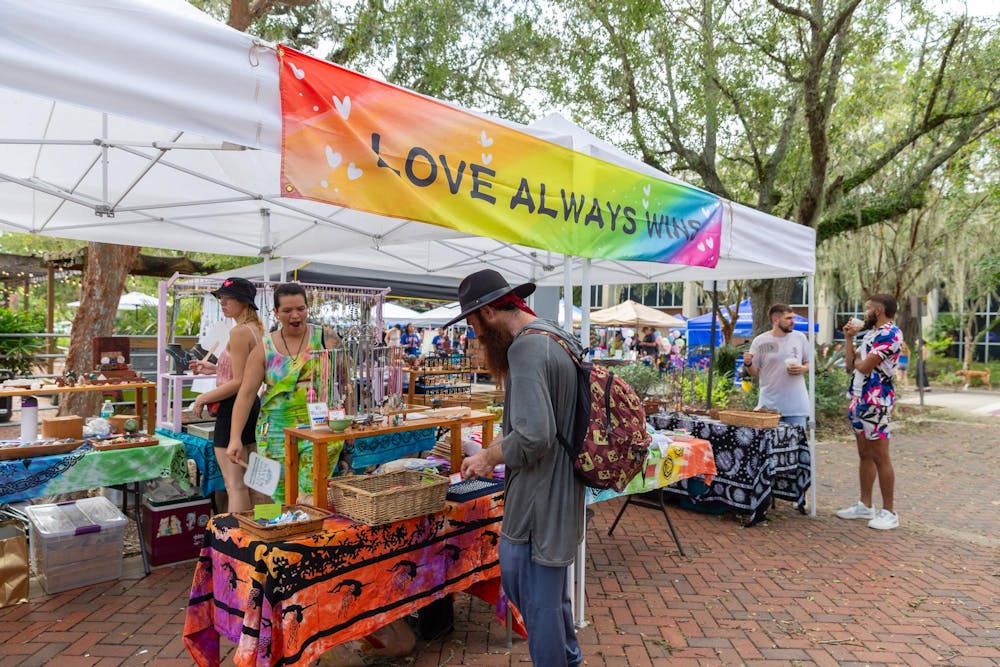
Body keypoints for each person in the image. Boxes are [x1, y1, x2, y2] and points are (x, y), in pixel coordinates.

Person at [452, 269, 585, 667]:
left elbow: (534, 436)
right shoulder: (555, 335)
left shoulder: (525, 349)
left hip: (539, 495)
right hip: (560, 488)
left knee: (534, 595)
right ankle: (570, 660)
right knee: (549, 595)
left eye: (473, 323)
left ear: (488, 312)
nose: (475, 335)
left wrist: (486, 456)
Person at [229, 283, 342, 503]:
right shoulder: (264, 348)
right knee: (281, 497)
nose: (295, 315)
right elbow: (246, 394)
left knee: (311, 494)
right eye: (287, 311)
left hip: (319, 427)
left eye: (300, 308)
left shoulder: (327, 338)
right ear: (276, 313)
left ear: (308, 308)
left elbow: (345, 383)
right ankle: (282, 534)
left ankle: (311, 534)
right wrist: (235, 438)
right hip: (275, 433)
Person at [188, 277, 263, 512]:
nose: (223, 303)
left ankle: (237, 541)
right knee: (252, 482)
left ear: (244, 301)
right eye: (221, 298)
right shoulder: (255, 329)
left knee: (235, 485)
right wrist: (212, 368)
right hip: (251, 405)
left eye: (228, 298)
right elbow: (243, 372)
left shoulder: (239, 332)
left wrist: (202, 398)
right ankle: (259, 531)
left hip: (234, 407)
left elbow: (239, 382)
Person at [836, 294, 902, 530]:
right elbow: (849, 365)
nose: (864, 313)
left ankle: (889, 511)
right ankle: (865, 505)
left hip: (877, 401)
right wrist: (848, 339)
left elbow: (862, 365)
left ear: (880, 310)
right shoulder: (871, 334)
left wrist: (857, 358)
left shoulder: (890, 334)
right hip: (859, 398)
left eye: (868, 309)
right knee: (864, 453)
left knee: (880, 456)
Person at [742, 304, 810, 429]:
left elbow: (810, 363)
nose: (792, 322)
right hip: (769, 407)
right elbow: (754, 372)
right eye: (788, 318)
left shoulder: (800, 338)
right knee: (770, 446)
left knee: (796, 446)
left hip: (796, 407)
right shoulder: (760, 341)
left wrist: (803, 368)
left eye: (793, 318)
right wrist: (748, 363)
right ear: (775, 320)